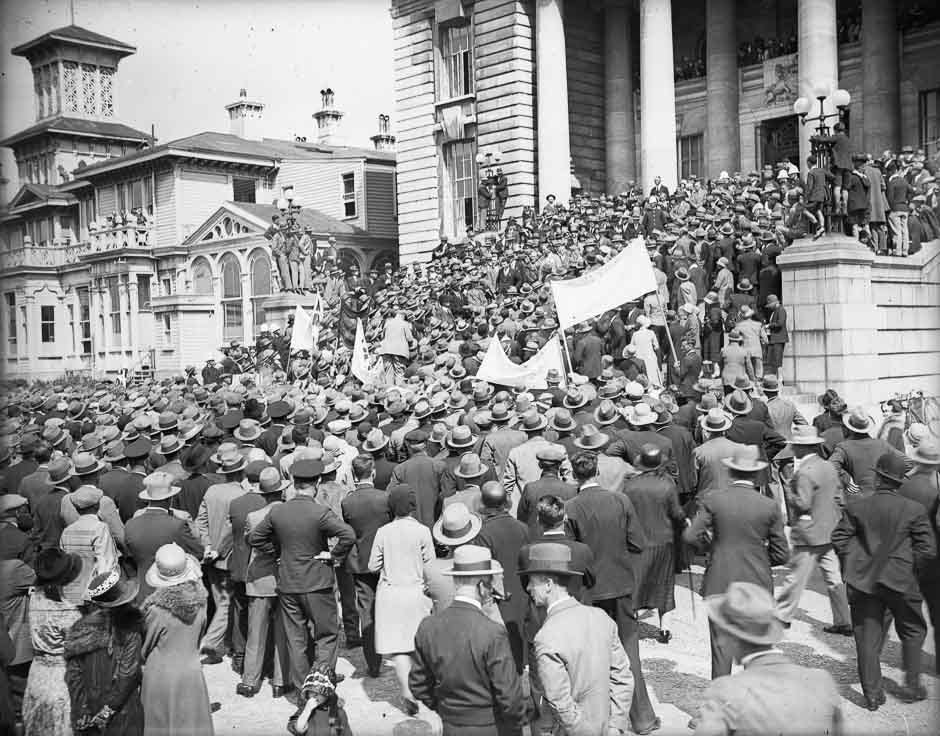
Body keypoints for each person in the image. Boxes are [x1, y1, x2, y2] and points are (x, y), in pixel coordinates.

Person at [564, 451, 659, 735]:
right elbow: (638, 543)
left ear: (574, 474)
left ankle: (596, 722)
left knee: (590, 657)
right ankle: (642, 719)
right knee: (629, 652)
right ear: (597, 472)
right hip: (620, 586)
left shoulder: (571, 507)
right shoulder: (621, 500)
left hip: (588, 590)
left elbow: (571, 553)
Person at [832, 452, 935, 710]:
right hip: (902, 581)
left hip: (863, 580)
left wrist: (851, 564)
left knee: (867, 636)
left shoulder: (857, 506)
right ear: (900, 481)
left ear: (878, 477)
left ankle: (873, 695)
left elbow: (839, 539)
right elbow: (927, 549)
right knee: (913, 630)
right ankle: (912, 684)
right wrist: (912, 571)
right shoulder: (914, 509)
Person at [247, 459, 355, 701]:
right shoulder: (319, 512)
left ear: (294, 484)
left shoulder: (278, 511)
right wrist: (333, 554)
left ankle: (302, 692)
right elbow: (348, 535)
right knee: (326, 636)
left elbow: (255, 538)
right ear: (316, 483)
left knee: (296, 640)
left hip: (288, 582)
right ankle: (320, 686)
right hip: (318, 582)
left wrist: (276, 553)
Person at [684, 445, 789, 680]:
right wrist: (760, 560)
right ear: (755, 474)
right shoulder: (769, 505)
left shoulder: (714, 500)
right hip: (756, 583)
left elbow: (690, 536)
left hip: (720, 579)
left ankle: (720, 706)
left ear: (731, 472)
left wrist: (712, 549)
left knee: (721, 650)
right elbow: (782, 553)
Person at [693, 582, 843, 736]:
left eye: (722, 634)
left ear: (733, 638)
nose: (719, 641)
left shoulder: (724, 693)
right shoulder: (822, 681)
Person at [410, 545, 527, 736]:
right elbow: (510, 696)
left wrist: (444, 711)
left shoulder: (428, 626)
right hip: (491, 727)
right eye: (490, 584)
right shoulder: (492, 632)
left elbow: (418, 684)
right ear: (482, 586)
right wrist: (515, 727)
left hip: (450, 725)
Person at [524, 542, 632, 736]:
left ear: (548, 584)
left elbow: (559, 701)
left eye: (532, 581)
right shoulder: (601, 618)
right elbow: (623, 677)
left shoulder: (546, 637)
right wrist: (616, 725)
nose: (529, 587)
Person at [773, 426, 851, 635]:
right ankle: (844, 620)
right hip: (829, 529)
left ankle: (782, 615)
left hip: (808, 533)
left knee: (795, 577)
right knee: (834, 578)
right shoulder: (827, 467)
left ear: (800, 448)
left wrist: (789, 488)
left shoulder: (805, 473)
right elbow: (838, 497)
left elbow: (802, 503)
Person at [367, 484, 433, 715]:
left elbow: (372, 565)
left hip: (391, 592)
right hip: (416, 592)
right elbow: (430, 566)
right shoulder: (423, 531)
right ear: (413, 506)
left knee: (399, 648)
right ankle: (421, 686)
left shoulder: (383, 532)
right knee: (416, 644)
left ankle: (406, 691)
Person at [141, 543, 214, 735]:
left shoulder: (157, 610)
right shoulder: (201, 604)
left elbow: (145, 645)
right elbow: (199, 636)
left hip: (160, 674)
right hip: (191, 672)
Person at [65, 569, 144, 736]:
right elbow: (127, 675)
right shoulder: (131, 628)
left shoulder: (79, 629)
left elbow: (73, 675)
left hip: (89, 710)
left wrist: (82, 710)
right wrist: (106, 712)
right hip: (123, 711)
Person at [622, 444, 686, 643]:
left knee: (636, 582)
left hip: (637, 541)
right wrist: (685, 522)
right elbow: (676, 513)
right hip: (663, 541)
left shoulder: (630, 486)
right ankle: (665, 628)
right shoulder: (667, 485)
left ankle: (631, 624)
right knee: (664, 585)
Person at [22, 548, 83, 736]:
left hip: (37, 673)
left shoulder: (33, 598)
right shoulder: (67, 612)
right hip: (61, 679)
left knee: (38, 726)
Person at [340, 454, 391, 678]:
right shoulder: (385, 498)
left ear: (353, 474)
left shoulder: (348, 502)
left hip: (360, 563)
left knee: (367, 613)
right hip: (386, 562)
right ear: (373, 473)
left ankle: (373, 664)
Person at [472, 481, 529, 673]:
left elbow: (483, 571)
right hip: (522, 592)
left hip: (499, 597)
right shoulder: (523, 528)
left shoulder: (482, 533)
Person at [897, 440, 940, 673]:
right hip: (934, 561)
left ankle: (911, 665)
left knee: (910, 616)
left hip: (907, 556)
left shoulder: (904, 486)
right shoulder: (935, 489)